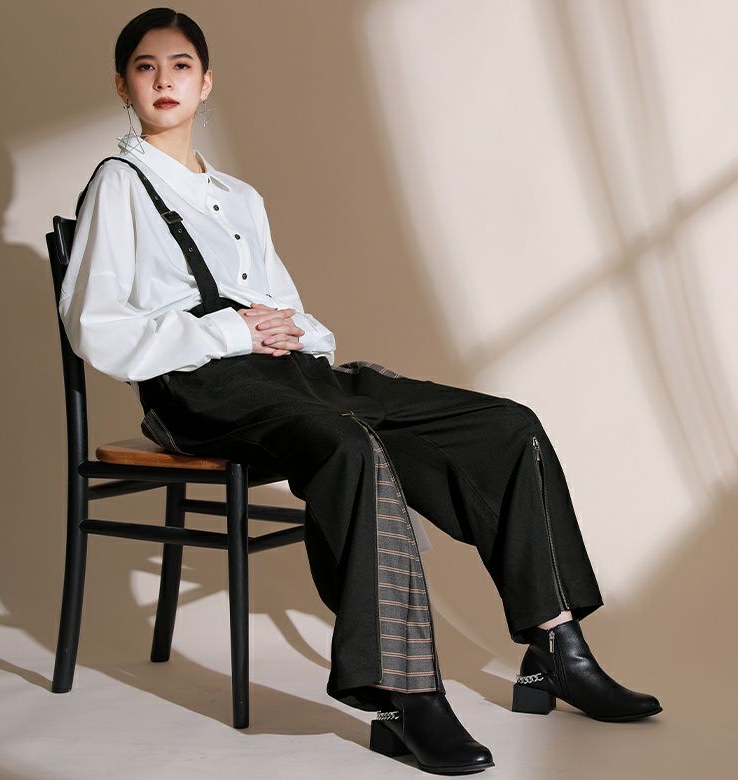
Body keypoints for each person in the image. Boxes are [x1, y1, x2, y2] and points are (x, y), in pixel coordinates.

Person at [58, 7, 662, 775]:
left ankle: (557, 647)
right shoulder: (119, 185)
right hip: (198, 391)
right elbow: (96, 327)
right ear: (123, 86)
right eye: (145, 67)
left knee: (506, 425)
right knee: (349, 445)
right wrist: (232, 332)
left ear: (206, 84)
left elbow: (290, 306)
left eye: (180, 66)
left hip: (291, 376)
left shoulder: (240, 197)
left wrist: (293, 332)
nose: (163, 80)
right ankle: (405, 695)